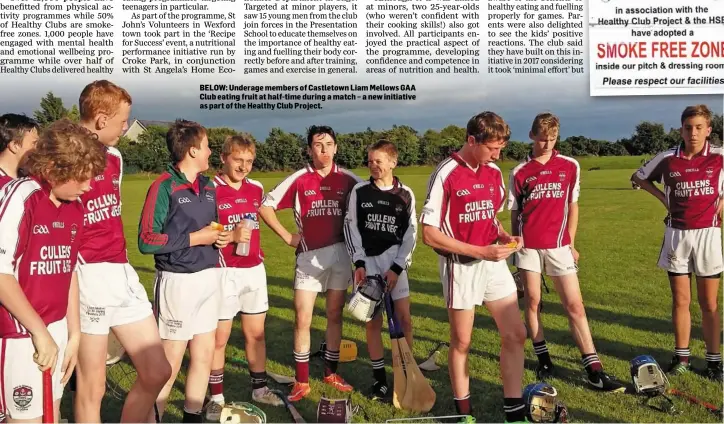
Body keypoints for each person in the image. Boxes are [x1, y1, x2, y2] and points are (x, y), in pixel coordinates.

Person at [73, 80, 171, 423]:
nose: (126, 127)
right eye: (122, 121)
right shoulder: (62, 157)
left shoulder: (114, 157)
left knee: (158, 370)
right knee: (92, 386)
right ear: (101, 119)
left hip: (122, 272)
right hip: (86, 277)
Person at [419, 111, 527, 422]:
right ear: (471, 140)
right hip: (461, 266)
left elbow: (489, 217)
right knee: (463, 341)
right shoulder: (447, 173)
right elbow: (429, 234)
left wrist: (504, 236)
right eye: (492, 148)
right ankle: (463, 410)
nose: (497, 155)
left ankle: (514, 409)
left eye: (501, 149)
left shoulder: (493, 173)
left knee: (516, 334)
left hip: (493, 264)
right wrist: (479, 250)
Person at [508, 113, 625, 392]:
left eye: (552, 139)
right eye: (542, 138)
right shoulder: (519, 171)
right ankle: (543, 358)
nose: (547, 144)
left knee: (575, 305)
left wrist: (571, 242)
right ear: (531, 136)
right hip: (529, 247)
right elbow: (515, 212)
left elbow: (573, 206)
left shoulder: (570, 166)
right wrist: (516, 245)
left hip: (559, 245)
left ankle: (593, 368)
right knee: (533, 301)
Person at [0, 119, 106, 423]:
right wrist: (39, 331)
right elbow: (1, 272)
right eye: (82, 177)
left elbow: (68, 270)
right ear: (55, 169)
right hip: (21, 333)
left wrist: (73, 334)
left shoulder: (76, 207)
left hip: (56, 329)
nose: (89, 186)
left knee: (52, 415)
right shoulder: (21, 197)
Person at [259, 125, 362, 402]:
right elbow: (265, 205)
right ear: (309, 149)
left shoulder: (351, 180)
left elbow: (370, 203)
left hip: (341, 254)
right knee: (302, 317)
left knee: (334, 315)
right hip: (308, 256)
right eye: (318, 145)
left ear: (336, 148)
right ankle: (302, 380)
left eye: (329, 144)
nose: (324, 150)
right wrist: (285, 236)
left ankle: (330, 372)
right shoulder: (299, 178)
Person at [138, 119, 228, 423]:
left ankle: (192, 417)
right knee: (170, 363)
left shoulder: (209, 185)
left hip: (209, 277)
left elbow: (211, 226)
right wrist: (196, 238)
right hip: (177, 282)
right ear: (192, 151)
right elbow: (146, 240)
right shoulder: (164, 185)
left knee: (204, 354)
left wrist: (220, 235)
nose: (210, 150)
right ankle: (155, 419)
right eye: (206, 145)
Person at [631, 104, 723, 382]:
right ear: (681, 129)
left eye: (699, 128)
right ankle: (681, 357)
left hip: (708, 234)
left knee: (709, 303)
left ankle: (714, 361)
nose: (693, 133)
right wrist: (663, 199)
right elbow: (638, 177)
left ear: (708, 130)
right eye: (688, 128)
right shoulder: (668, 158)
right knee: (681, 301)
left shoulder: (719, 157)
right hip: (677, 235)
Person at [204, 135, 282, 421]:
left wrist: (285, 235)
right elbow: (208, 233)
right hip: (224, 271)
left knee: (255, 333)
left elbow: (262, 211)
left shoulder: (255, 187)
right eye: (239, 160)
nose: (244, 166)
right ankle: (216, 398)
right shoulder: (210, 188)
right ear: (224, 157)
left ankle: (259, 390)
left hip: (253, 270)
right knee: (220, 338)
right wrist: (231, 235)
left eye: (249, 161)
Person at [343, 140, 417, 400]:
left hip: (395, 262)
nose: (373, 165)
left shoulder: (405, 194)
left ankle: (405, 372)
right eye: (370, 161)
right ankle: (379, 380)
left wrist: (397, 267)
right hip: (368, 264)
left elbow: (411, 234)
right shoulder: (360, 191)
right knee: (372, 320)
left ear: (392, 162)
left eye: (379, 161)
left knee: (404, 318)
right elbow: (351, 227)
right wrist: (360, 263)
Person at [0, 113, 39, 189]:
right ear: (15, 145)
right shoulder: (3, 187)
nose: (37, 149)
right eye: (34, 143)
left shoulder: (27, 178)